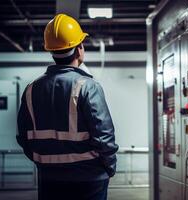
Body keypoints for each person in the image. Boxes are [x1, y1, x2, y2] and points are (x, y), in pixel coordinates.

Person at [16, 14, 118, 200]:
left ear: (51, 51)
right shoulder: (88, 86)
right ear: (79, 50)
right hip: (90, 180)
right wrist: (109, 168)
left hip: (49, 179)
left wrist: (45, 163)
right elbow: (104, 137)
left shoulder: (31, 89)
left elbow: (23, 137)